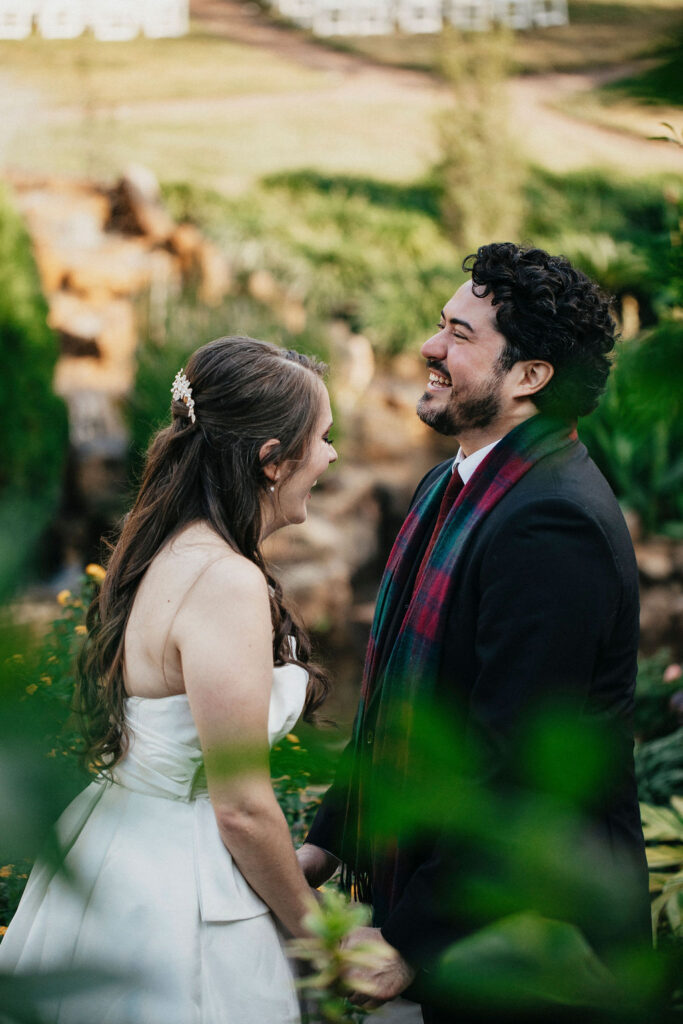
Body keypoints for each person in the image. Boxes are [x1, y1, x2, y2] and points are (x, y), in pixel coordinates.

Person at [298, 243, 651, 1022]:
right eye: (439, 325)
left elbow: (515, 767)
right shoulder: (454, 484)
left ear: (529, 378)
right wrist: (328, 842)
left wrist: (408, 941)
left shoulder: (549, 522)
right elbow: (393, 693)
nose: (429, 348)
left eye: (459, 335)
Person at [0, 336, 338, 1023]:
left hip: (118, 845)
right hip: (176, 882)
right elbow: (240, 807)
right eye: (323, 439)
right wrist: (323, 940)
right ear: (272, 461)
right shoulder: (225, 580)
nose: (331, 457)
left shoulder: (168, 546)